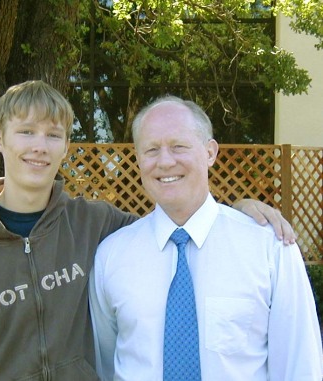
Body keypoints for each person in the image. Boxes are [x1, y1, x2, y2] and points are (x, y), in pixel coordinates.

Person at [0, 81, 296, 381]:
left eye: (53, 135)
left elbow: (177, 224)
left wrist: (241, 211)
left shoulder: (94, 224)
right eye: (26, 132)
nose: (39, 147)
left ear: (66, 145)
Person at [89, 96, 323, 381]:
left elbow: (300, 366)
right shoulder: (112, 256)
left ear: (210, 152)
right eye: (151, 149)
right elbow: (106, 362)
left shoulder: (270, 248)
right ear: (138, 159)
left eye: (179, 146)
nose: (165, 161)